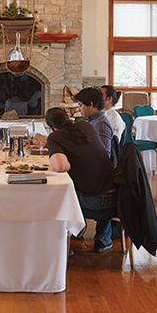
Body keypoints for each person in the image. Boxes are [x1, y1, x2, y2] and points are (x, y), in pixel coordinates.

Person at [45, 107, 117, 253]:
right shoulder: (86, 125)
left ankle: (66, 244)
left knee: (56, 195)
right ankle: (103, 239)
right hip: (116, 195)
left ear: (51, 127)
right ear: (67, 116)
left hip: (93, 200)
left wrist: (68, 163)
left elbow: (60, 165)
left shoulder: (54, 137)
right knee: (98, 179)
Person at [74, 87, 113, 153]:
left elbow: (104, 156)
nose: (78, 109)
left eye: (80, 105)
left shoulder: (101, 124)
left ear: (90, 105)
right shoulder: (94, 121)